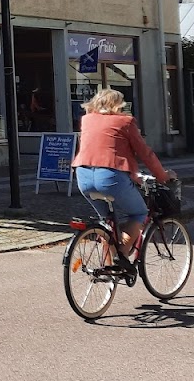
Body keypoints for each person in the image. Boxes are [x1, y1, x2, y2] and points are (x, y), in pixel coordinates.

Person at [71, 88, 176, 259]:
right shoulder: (125, 122)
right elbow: (145, 153)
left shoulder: (87, 120)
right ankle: (122, 255)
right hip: (110, 177)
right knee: (139, 213)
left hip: (83, 175)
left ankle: (109, 265)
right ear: (118, 105)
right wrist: (162, 176)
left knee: (106, 222)